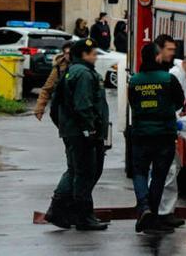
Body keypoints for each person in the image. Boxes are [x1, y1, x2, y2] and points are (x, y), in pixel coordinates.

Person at [48, 38, 109, 231]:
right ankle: (82, 216)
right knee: (84, 172)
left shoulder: (72, 71)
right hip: (82, 132)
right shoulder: (83, 73)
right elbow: (84, 105)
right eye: (92, 53)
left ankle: (58, 211)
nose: (95, 56)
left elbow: (57, 106)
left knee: (75, 171)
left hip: (73, 131)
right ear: (84, 55)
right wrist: (89, 129)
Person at [129, 43, 186, 235]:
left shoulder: (134, 81)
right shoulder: (168, 79)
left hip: (140, 135)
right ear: (156, 57)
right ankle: (152, 217)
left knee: (140, 172)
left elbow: (133, 103)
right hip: (164, 135)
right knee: (159, 177)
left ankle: (144, 208)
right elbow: (180, 102)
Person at [159, 51, 186, 228]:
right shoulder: (175, 76)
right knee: (169, 172)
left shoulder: (183, 76)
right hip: (166, 130)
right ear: (185, 63)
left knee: (173, 169)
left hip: (170, 128)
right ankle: (164, 213)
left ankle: (166, 210)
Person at [34, 41, 72, 121]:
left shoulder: (82, 65)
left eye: (70, 53)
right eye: (66, 53)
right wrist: (39, 108)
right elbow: (47, 88)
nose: (68, 55)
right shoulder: (59, 66)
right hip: (63, 106)